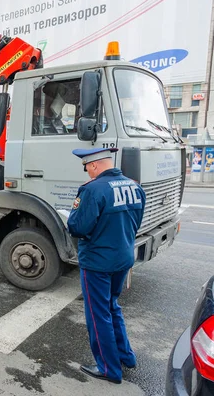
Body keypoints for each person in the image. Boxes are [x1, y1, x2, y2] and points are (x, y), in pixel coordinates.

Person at [67, 148, 145, 384]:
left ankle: (109, 368)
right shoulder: (134, 186)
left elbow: (78, 227)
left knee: (98, 314)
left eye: (87, 167)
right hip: (122, 258)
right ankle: (126, 356)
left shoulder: (92, 189)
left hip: (98, 262)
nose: (88, 172)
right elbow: (135, 222)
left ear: (93, 166)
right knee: (112, 307)